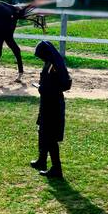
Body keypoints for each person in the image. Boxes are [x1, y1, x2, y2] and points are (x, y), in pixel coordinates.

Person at [31, 40, 71, 178]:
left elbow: (65, 84)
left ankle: (56, 168)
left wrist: (45, 88)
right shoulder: (48, 63)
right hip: (46, 103)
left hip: (53, 104)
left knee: (51, 137)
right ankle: (42, 160)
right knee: (42, 131)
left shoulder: (56, 66)